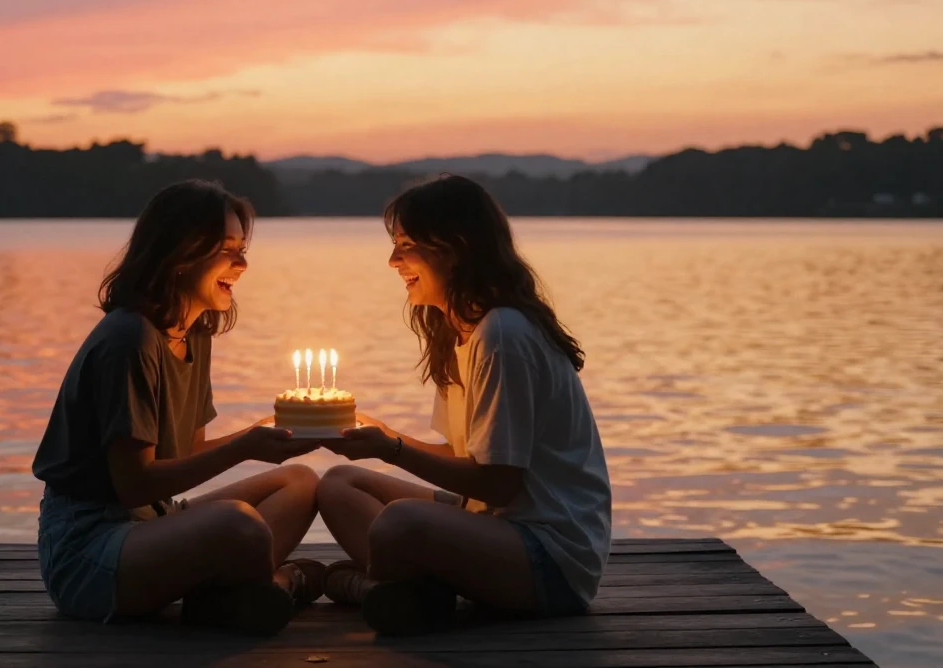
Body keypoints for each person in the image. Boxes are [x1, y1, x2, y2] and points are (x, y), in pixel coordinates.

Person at [318, 174, 612, 636]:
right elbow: (466, 459)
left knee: (400, 524)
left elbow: (498, 483)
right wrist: (380, 435)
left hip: (550, 561)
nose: (393, 260)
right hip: (491, 527)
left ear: (453, 248)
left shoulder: (503, 336)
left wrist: (389, 450)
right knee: (338, 484)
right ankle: (406, 588)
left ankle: (370, 587)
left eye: (406, 244)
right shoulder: (462, 332)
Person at [32, 179, 324, 635]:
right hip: (89, 552)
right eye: (227, 249)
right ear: (182, 254)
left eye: (243, 248)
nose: (243, 263)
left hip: (155, 522)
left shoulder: (193, 333)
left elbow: (182, 459)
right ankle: (276, 582)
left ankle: (229, 594)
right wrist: (246, 446)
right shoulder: (129, 340)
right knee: (237, 525)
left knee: (301, 482)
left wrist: (270, 434)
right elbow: (133, 485)